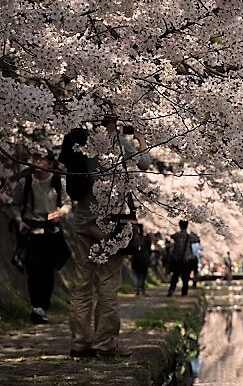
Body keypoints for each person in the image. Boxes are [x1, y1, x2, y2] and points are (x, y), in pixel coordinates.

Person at [59, 118, 150, 358]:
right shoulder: (118, 143)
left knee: (82, 283)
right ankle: (105, 343)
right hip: (110, 221)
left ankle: (79, 343)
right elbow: (144, 162)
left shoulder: (80, 142)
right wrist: (140, 140)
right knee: (108, 283)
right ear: (112, 121)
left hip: (81, 221)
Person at [12, 151, 71, 324]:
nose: (37, 161)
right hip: (30, 231)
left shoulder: (58, 182)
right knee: (32, 270)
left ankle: (42, 306)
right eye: (35, 158)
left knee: (48, 271)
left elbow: (67, 203)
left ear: (51, 164)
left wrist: (60, 213)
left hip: (51, 232)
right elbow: (15, 205)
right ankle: (37, 306)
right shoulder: (25, 182)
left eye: (41, 159)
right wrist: (19, 221)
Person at [168, 220, 196, 297]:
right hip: (187, 260)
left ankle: (171, 289)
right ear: (187, 226)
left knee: (175, 276)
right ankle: (184, 292)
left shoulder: (176, 235)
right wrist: (192, 232)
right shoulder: (189, 236)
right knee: (185, 277)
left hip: (177, 259)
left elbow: (171, 236)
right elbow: (197, 239)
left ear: (179, 226)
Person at [130, 224, 152, 296]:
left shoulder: (133, 239)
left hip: (135, 258)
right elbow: (149, 249)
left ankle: (137, 289)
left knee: (136, 275)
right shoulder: (146, 239)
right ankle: (141, 288)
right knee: (143, 275)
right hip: (144, 259)